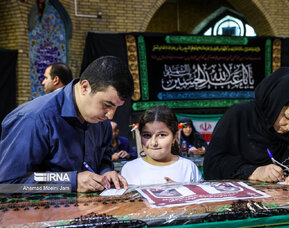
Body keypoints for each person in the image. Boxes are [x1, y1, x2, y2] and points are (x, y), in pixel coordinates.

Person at [0, 56, 134, 192]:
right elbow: (9, 183)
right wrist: (70, 181)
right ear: (85, 87)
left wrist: (106, 172)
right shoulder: (34, 120)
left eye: (117, 107)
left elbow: (104, 155)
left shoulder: (100, 120)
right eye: (107, 105)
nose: (110, 115)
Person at [121, 106, 203, 186]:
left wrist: (182, 190)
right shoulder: (129, 169)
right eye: (146, 135)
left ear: (174, 137)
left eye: (161, 135)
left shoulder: (188, 168)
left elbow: (202, 198)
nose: (153, 143)